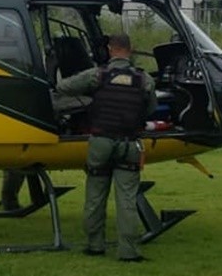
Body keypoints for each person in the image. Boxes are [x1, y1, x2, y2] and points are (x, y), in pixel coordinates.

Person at [56, 33, 155, 261]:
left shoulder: (97, 75)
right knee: (127, 199)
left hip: (101, 142)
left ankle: (95, 244)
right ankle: (128, 251)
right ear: (130, 50)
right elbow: (149, 110)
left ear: (110, 50)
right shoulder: (144, 79)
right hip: (130, 144)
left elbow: (63, 87)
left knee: (95, 195)